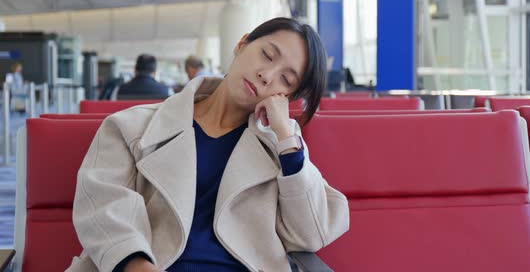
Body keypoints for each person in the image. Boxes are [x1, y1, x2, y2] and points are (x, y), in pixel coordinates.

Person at [66, 17, 349, 272]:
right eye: (266, 55)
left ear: (285, 96)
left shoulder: (284, 149)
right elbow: (104, 205)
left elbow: (311, 233)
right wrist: (136, 265)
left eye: (286, 79)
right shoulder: (132, 127)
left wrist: (287, 140)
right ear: (242, 44)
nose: (267, 75)